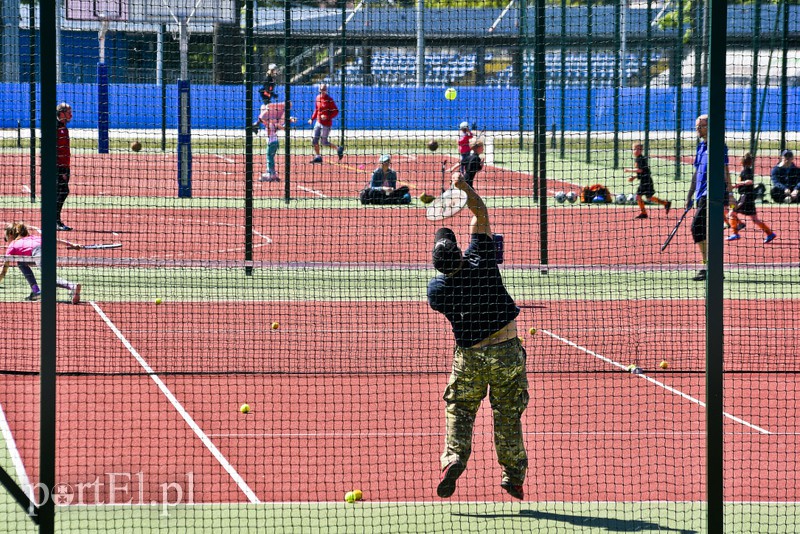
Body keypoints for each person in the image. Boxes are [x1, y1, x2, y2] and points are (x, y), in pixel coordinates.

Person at [427, 172, 528, 501]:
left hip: (469, 357)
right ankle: (512, 476)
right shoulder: (482, 259)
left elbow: (446, 277)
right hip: (507, 350)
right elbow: (480, 214)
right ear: (458, 250)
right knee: (508, 413)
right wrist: (464, 188)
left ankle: (454, 457)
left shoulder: (437, 290)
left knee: (459, 408)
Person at [686, 114, 732, 282]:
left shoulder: (719, 146)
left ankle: (709, 266)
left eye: (700, 126)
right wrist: (690, 195)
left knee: (696, 228)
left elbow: (725, 170)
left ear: (709, 127)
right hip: (700, 195)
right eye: (696, 127)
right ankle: (711, 267)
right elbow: (696, 172)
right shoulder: (700, 147)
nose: (697, 129)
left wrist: (731, 193)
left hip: (712, 194)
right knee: (704, 231)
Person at [0, 222, 82, 304]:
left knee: (50, 279)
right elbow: (55, 240)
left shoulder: (13, 245)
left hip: (39, 253)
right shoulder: (33, 237)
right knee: (21, 262)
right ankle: (36, 291)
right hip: (49, 252)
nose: (6, 239)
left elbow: (3, 270)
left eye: (6, 236)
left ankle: (72, 286)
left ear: (10, 234)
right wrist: (73, 245)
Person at [727, 153, 776, 244]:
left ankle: (735, 233)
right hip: (748, 198)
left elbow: (749, 181)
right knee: (755, 219)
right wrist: (736, 186)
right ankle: (770, 233)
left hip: (745, 197)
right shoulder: (746, 170)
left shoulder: (746, 171)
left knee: (731, 212)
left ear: (742, 161)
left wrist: (737, 185)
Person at [625, 142, 671, 219]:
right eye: (634, 149)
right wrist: (634, 177)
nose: (636, 151)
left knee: (638, 197)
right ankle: (665, 203)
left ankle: (644, 213)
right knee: (649, 198)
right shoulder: (639, 158)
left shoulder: (640, 159)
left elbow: (640, 170)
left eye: (638, 149)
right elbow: (642, 171)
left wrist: (628, 170)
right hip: (646, 180)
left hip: (645, 181)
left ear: (641, 150)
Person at [255, 100, 295, 182]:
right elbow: (277, 125)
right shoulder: (270, 121)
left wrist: (283, 127)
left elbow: (275, 126)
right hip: (273, 142)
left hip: (272, 142)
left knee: (269, 158)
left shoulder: (270, 121)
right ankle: (273, 174)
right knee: (270, 158)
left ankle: (271, 174)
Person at [308, 83, 344, 164]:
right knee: (314, 140)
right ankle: (318, 157)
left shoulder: (329, 99)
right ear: (319, 90)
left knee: (324, 142)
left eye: (324, 89)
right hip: (318, 122)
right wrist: (312, 118)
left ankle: (338, 149)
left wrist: (327, 116)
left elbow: (336, 111)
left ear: (326, 90)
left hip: (326, 124)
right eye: (321, 89)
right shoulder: (317, 98)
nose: (323, 91)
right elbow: (316, 110)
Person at [56, 102, 73, 231]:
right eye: (68, 112)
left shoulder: (63, 127)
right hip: (57, 168)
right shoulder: (56, 127)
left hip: (65, 166)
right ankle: (55, 221)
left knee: (62, 192)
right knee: (62, 192)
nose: (71, 115)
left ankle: (55, 220)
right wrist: (61, 170)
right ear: (62, 114)